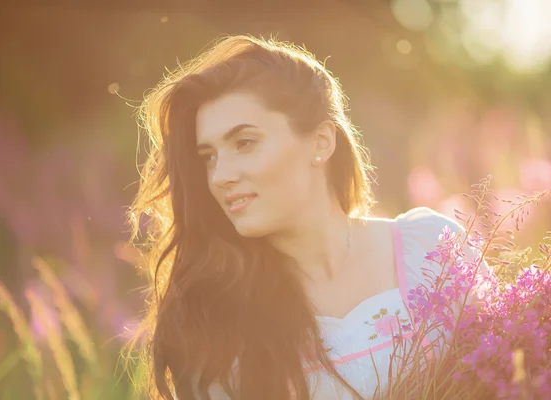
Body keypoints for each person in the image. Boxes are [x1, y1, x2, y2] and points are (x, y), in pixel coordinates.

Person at [124, 35, 487, 400]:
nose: (220, 176)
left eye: (244, 143)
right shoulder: (216, 322)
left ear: (321, 142)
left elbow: (514, 368)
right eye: (209, 156)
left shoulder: (432, 249)